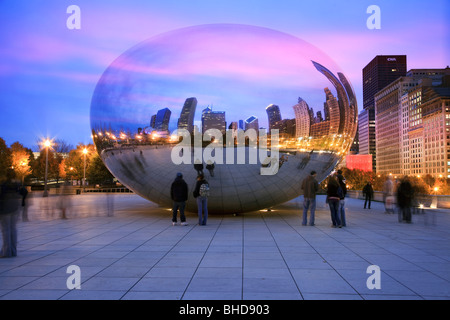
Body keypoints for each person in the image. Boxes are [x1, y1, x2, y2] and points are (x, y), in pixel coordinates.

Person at [0, 169, 21, 258]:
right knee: (13, 228)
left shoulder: (4, 184)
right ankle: (13, 250)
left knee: (6, 229)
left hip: (6, 206)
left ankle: (6, 251)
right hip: (15, 206)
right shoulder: (17, 184)